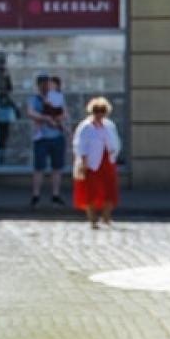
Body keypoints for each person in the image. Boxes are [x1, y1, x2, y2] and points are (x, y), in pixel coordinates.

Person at [73, 97, 122, 228]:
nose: (99, 114)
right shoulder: (86, 127)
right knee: (90, 191)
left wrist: (114, 153)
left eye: (102, 111)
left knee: (110, 190)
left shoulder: (109, 125)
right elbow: (80, 145)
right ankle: (93, 219)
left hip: (107, 161)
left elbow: (116, 141)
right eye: (96, 111)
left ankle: (106, 217)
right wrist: (83, 162)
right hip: (91, 163)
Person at [28, 75, 67, 206]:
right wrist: (45, 118)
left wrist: (57, 118)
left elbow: (64, 113)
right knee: (39, 167)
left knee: (57, 167)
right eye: (43, 84)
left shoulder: (57, 97)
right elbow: (30, 113)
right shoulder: (34, 99)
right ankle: (36, 195)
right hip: (41, 137)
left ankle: (55, 194)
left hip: (57, 136)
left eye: (48, 84)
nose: (46, 86)